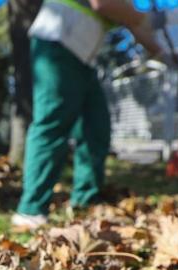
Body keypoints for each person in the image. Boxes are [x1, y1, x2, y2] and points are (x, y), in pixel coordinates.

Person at [11, 0, 167, 230]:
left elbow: (133, 24)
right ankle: (30, 210)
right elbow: (102, 4)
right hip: (57, 41)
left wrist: (164, 53)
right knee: (52, 122)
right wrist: (145, 18)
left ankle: (86, 203)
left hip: (84, 58)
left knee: (96, 127)